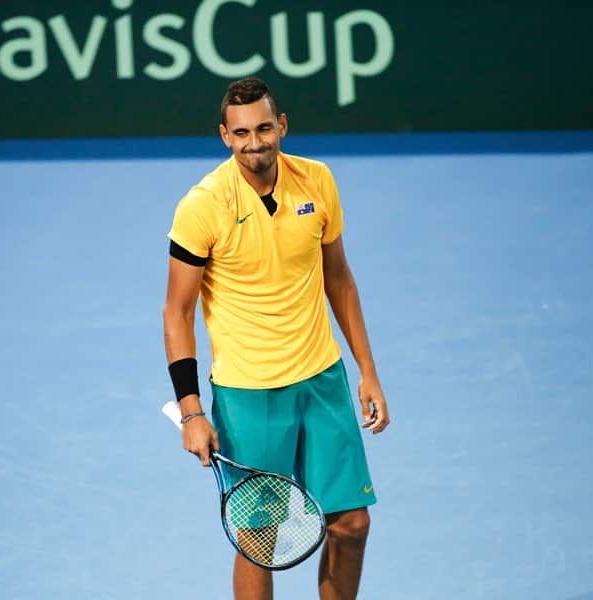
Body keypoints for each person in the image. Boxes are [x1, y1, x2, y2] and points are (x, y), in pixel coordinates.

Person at [162, 77, 389, 600]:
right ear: (225, 136)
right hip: (250, 394)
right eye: (241, 133)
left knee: (351, 525)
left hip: (322, 381)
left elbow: (340, 279)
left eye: (264, 128)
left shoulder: (318, 181)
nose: (254, 142)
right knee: (257, 543)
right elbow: (177, 312)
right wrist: (193, 411)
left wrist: (368, 372)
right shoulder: (202, 206)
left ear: (281, 126)